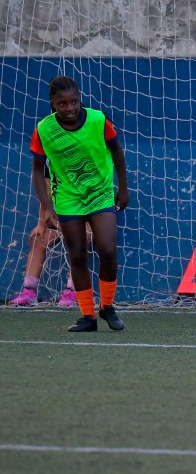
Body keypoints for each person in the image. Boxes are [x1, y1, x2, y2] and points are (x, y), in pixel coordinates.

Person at [31, 76, 130, 332]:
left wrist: (123, 188)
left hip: (100, 192)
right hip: (68, 198)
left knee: (107, 249)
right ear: (53, 103)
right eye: (62, 103)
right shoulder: (44, 130)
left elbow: (117, 152)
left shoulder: (98, 120)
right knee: (77, 256)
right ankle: (88, 316)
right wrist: (47, 208)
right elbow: (37, 170)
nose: (70, 108)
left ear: (79, 98)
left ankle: (107, 306)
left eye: (74, 101)